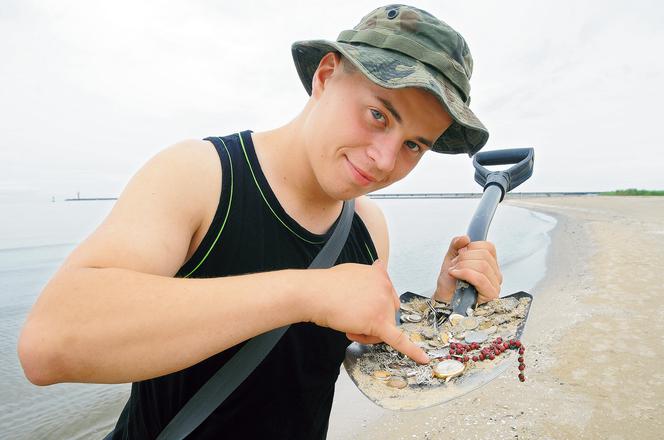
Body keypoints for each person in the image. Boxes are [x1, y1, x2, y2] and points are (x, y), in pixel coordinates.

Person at [18, 4, 503, 439]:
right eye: (378, 114)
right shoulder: (203, 176)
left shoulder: (368, 228)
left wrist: (442, 311)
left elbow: (375, 366)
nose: (383, 160)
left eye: (414, 145)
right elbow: (48, 344)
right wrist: (306, 293)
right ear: (325, 76)